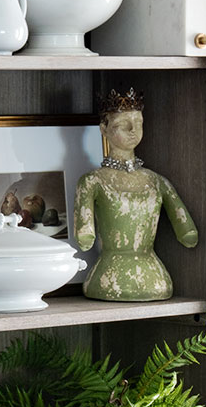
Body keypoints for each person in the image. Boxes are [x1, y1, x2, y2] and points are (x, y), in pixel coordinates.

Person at [73, 89, 198, 301]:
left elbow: (186, 229)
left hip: (154, 277)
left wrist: (187, 232)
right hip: (108, 278)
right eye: (123, 124)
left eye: (138, 123)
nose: (133, 130)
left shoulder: (156, 180)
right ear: (104, 128)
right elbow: (84, 234)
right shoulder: (93, 181)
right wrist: (85, 235)